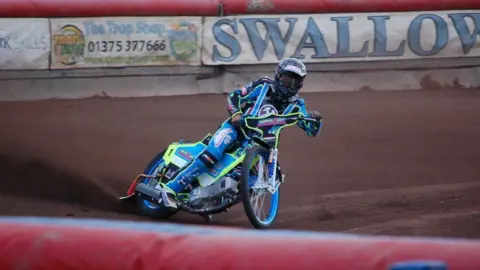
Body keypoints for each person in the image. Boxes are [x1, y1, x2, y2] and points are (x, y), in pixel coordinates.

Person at [160, 58, 323, 209]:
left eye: (296, 82)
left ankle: (211, 198)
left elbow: (311, 131)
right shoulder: (262, 86)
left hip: (260, 145)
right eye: (288, 80)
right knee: (211, 155)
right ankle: (170, 190)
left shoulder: (297, 105)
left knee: (251, 181)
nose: (290, 85)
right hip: (236, 129)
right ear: (279, 76)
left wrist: (316, 119)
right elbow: (234, 97)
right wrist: (236, 114)